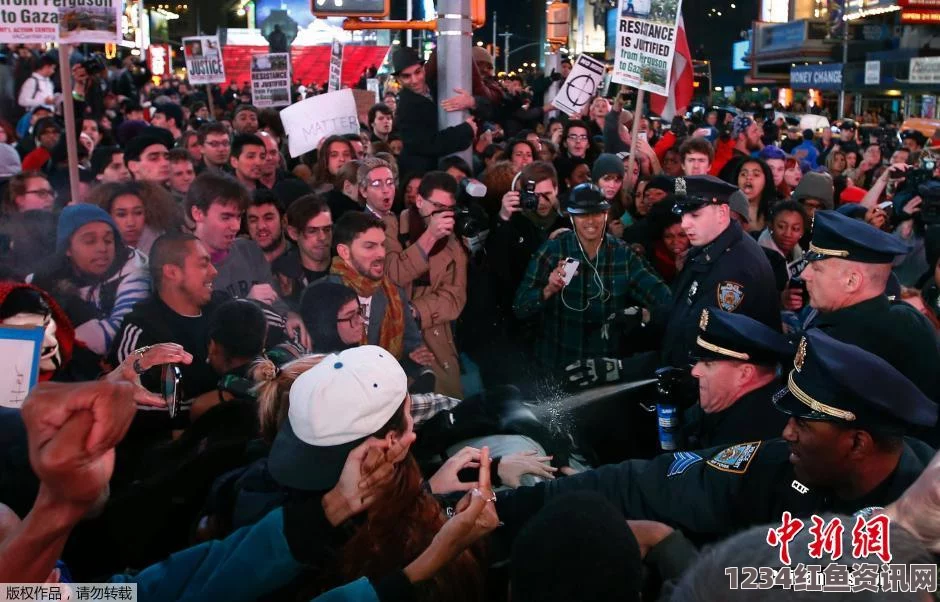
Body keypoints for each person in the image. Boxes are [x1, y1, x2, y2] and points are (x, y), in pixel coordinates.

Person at [497, 329, 938, 549]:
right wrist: (506, 511)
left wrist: (672, 554)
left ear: (858, 444)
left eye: (803, 424)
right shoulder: (778, 463)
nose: (785, 432)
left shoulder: (921, 534)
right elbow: (653, 481)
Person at [514, 183, 671, 376]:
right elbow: (520, 308)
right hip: (555, 367)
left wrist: (644, 315)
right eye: (582, 215)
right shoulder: (553, 250)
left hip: (603, 371)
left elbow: (664, 299)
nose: (590, 221)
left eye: (596, 213)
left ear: (605, 214)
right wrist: (548, 289)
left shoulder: (623, 255)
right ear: (571, 218)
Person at [799, 210, 940, 417]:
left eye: (817, 268)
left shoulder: (847, 345)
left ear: (852, 281)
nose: (805, 274)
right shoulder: (907, 319)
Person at [660, 175, 781, 369]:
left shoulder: (736, 268)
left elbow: (705, 346)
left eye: (695, 215)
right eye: (683, 215)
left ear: (722, 213)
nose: (684, 224)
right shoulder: (710, 247)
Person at [108, 232, 226, 430]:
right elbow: (126, 403)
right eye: (203, 264)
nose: (214, 271)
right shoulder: (140, 329)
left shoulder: (224, 308)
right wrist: (212, 404)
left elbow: (277, 334)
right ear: (172, 272)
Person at [308, 211, 433, 370]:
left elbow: (413, 345)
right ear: (344, 252)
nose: (381, 254)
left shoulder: (394, 293)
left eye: (382, 245)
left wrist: (414, 359)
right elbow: (315, 359)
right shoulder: (319, 295)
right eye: (370, 246)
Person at [28, 204, 150, 357]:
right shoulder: (45, 280)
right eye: (90, 241)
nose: (102, 248)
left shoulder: (135, 273)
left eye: (108, 240)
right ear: (67, 249)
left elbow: (113, 338)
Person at [681, 308, 793, 449]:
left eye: (708, 364)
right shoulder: (737, 404)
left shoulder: (749, 438)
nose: (695, 371)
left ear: (744, 374)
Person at [401, 171, 468, 398]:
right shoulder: (393, 227)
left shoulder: (453, 244)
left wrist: (417, 310)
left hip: (438, 342)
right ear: (419, 201)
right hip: (398, 341)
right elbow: (393, 275)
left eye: (448, 209)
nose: (443, 215)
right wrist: (429, 236)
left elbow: (456, 297)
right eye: (437, 207)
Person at [392, 47, 480, 175]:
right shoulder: (405, 108)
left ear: (423, 69)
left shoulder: (438, 86)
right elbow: (426, 144)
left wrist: (471, 101)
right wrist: (465, 130)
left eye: (417, 72)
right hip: (422, 175)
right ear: (399, 79)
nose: (415, 80)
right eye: (407, 76)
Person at [272, 195, 333, 309]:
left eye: (327, 229)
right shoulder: (281, 273)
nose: (322, 237)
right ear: (293, 233)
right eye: (312, 231)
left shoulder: (346, 266)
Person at [89, 180, 180, 255]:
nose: (131, 222)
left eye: (138, 213)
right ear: (107, 216)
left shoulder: (164, 246)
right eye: (121, 215)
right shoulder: (98, 251)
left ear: (148, 214)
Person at [0, 170, 57, 279]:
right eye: (42, 193)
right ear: (20, 199)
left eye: (51, 193)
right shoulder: (5, 233)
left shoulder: (59, 224)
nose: (50, 199)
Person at [732, 158, 775, 233]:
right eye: (743, 174)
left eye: (756, 175)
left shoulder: (775, 212)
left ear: (766, 181)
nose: (748, 178)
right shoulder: (725, 209)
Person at [246, 189, 288, 263]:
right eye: (253, 220)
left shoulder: (303, 258)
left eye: (268, 218)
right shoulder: (236, 260)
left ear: (284, 221)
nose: (261, 226)